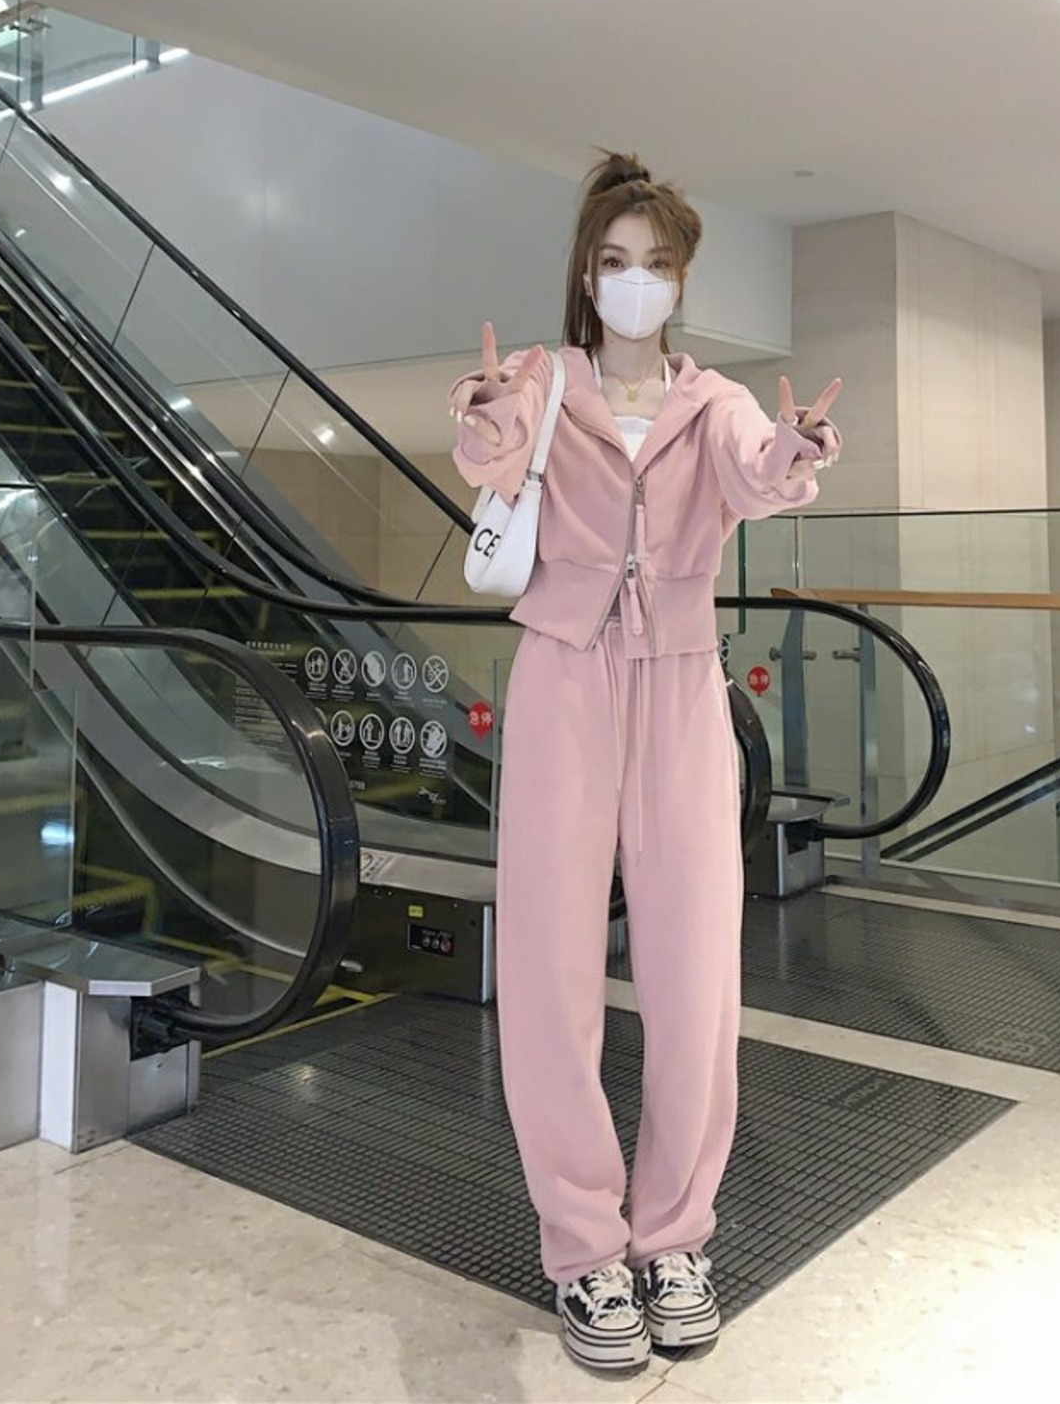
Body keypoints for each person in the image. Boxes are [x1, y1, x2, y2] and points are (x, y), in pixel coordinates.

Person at [449, 151, 841, 1374]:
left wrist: (795, 447)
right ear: (586, 273)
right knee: (548, 969)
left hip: (678, 683)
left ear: (679, 280)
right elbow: (489, 456)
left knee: (694, 970)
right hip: (563, 674)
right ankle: (583, 1249)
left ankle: (674, 1238)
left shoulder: (712, 399)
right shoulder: (540, 379)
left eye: (655, 263)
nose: (634, 281)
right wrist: (485, 419)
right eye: (616, 261)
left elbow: (756, 474)